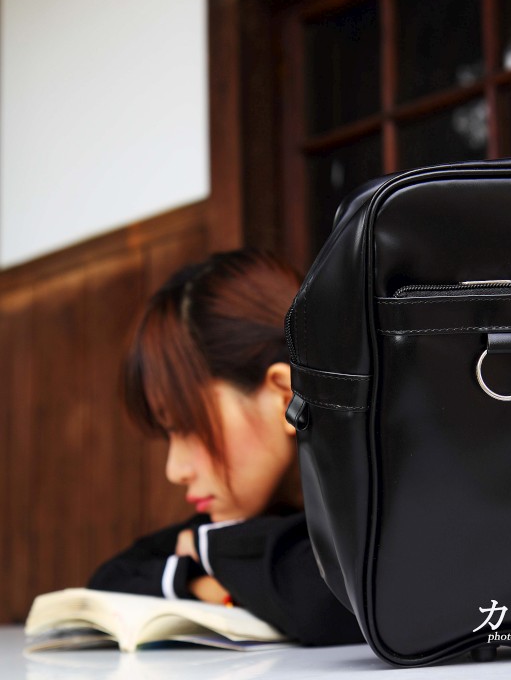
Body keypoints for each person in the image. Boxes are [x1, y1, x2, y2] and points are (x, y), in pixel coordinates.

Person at [88, 248, 363, 646]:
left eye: (187, 426)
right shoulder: (253, 520)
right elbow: (110, 580)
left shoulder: (385, 498)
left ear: (283, 395)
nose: (174, 470)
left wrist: (213, 562)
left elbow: (331, 601)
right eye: (169, 434)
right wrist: (206, 580)